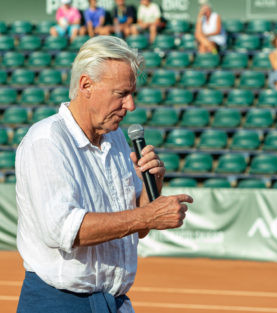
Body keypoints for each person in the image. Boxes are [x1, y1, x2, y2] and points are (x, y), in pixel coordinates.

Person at [15, 36, 193, 313]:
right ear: (86, 85)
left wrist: (150, 190)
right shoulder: (46, 141)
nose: (131, 105)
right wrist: (147, 215)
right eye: (121, 94)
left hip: (116, 302)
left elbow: (138, 227)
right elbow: (64, 230)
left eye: (132, 94)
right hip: (59, 303)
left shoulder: (117, 138)